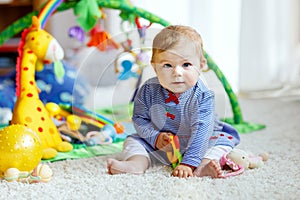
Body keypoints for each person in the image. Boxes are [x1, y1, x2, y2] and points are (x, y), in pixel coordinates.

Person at [107, 25, 240, 178]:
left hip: (201, 141)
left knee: (221, 144)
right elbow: (139, 119)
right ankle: (136, 164)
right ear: (155, 67)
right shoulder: (148, 90)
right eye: (167, 65)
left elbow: (202, 132)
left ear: (201, 65)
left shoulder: (203, 96)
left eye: (186, 65)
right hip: (163, 145)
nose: (177, 72)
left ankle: (203, 166)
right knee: (133, 141)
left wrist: (188, 163)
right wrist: (155, 137)